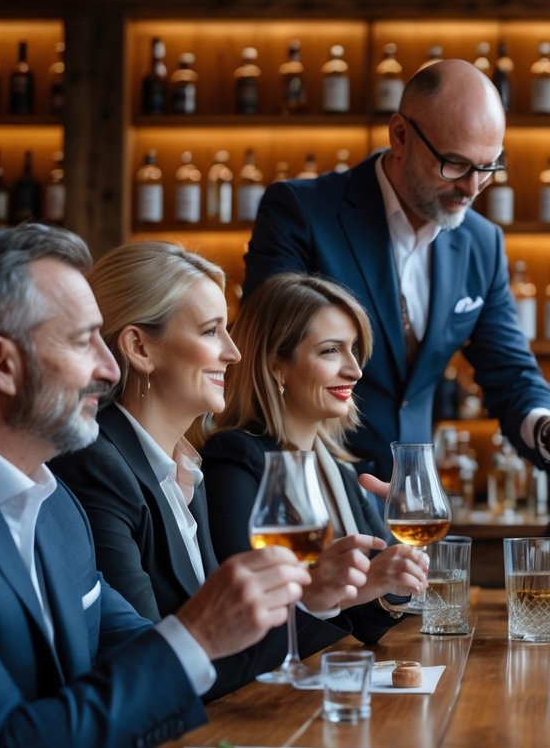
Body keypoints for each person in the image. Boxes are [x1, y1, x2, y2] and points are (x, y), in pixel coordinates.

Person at [0, 224, 310, 748]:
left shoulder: (57, 511)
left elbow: (148, 657)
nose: (108, 366)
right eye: (82, 341)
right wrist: (199, 633)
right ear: (0, 363)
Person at [49, 243, 406, 701]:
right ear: (139, 347)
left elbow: (222, 640)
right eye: (211, 331)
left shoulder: (187, 468)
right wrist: (314, 600)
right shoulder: (99, 465)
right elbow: (152, 665)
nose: (235, 354)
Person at [243, 58, 550, 488]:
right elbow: (265, 355)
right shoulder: (301, 212)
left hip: (412, 502)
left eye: (489, 167)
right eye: (456, 164)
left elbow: (510, 373)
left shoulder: (482, 242)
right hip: (307, 492)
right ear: (400, 135)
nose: (472, 188)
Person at [202, 273, 426, 626]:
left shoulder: (336, 466)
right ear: (277, 365)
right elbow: (247, 614)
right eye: (331, 350)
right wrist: (353, 589)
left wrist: (399, 563)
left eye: (353, 349)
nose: (354, 370)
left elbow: (368, 621)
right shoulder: (235, 457)